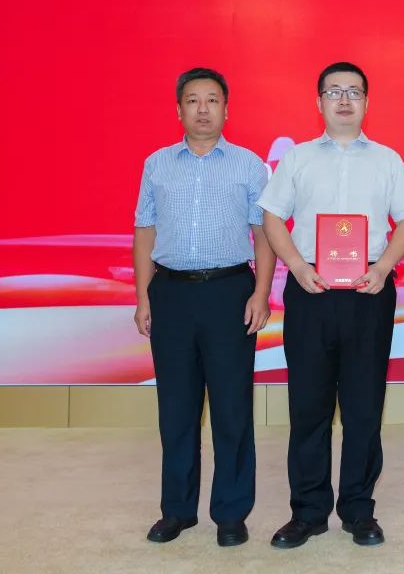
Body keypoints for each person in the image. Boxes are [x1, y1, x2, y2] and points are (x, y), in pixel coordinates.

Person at [257, 62, 404, 548]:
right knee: (308, 406)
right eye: (334, 92)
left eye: (354, 92)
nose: (344, 100)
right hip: (311, 290)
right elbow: (272, 217)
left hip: (369, 291)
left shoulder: (387, 160)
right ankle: (308, 512)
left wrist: (385, 267)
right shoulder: (298, 158)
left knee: (363, 407)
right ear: (319, 102)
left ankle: (358, 510)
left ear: (367, 102)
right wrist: (296, 265)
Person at [133, 67, 275, 548]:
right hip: (170, 293)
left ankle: (231, 513)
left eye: (212, 100)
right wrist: (143, 296)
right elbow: (145, 232)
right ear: (179, 110)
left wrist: (261, 294)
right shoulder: (157, 164)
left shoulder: (249, 165)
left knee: (232, 408)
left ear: (226, 110)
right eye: (192, 100)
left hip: (229, 293)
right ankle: (177, 510)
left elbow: (263, 235)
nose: (202, 109)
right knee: (176, 409)